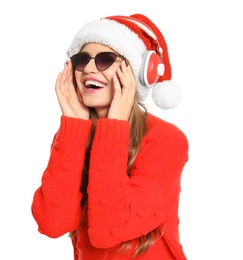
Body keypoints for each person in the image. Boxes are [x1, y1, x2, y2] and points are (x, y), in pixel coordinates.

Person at [31, 13, 189, 260]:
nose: (89, 68)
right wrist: (72, 128)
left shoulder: (167, 140)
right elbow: (53, 224)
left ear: (136, 72)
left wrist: (114, 124)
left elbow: (109, 229)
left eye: (106, 59)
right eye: (81, 60)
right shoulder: (74, 134)